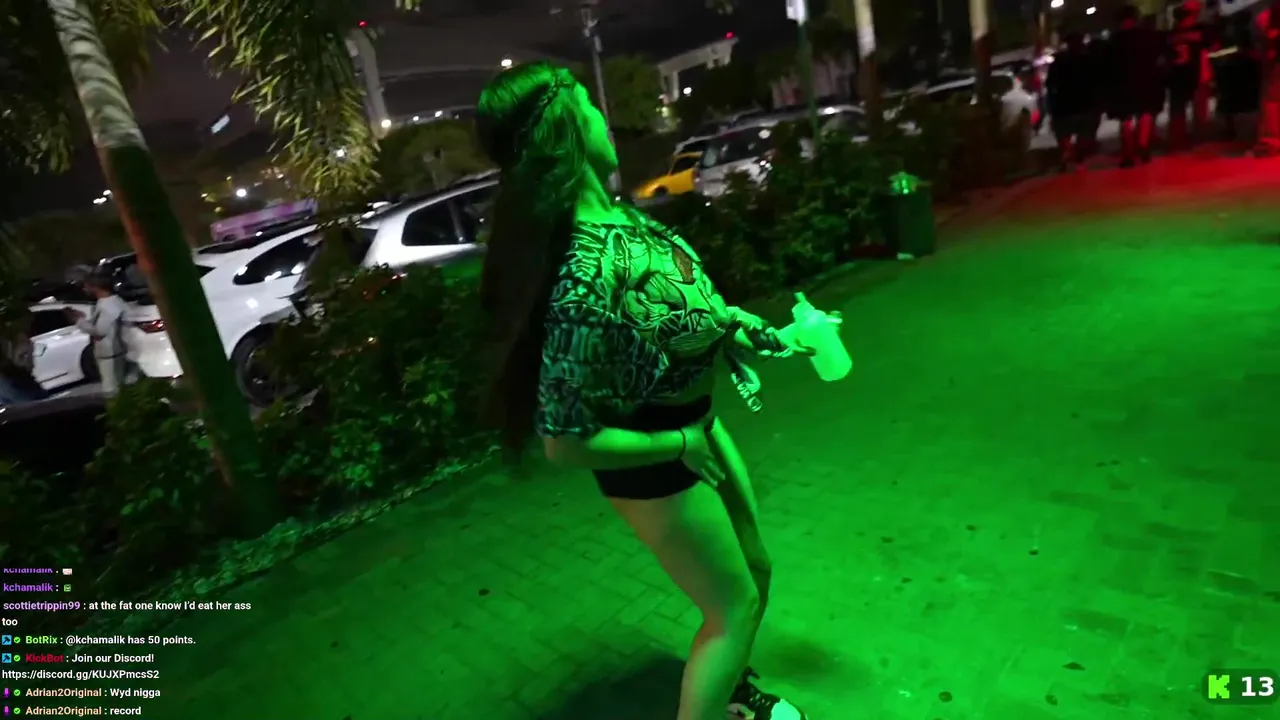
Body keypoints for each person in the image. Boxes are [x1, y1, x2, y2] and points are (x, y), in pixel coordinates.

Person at [474, 61, 811, 720]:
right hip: (658, 457)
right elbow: (565, 442)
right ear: (564, 125)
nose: (605, 118)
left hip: (698, 429)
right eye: (589, 104)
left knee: (756, 571)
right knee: (733, 606)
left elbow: (670, 307)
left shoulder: (622, 217)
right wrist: (679, 442)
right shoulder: (580, 270)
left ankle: (730, 691)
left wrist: (730, 328)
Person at [1104, 5, 1166, 166]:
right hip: (1147, 81)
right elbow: (1159, 59)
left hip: (1123, 83)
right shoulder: (1149, 36)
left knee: (1126, 119)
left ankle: (1128, 152)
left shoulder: (1115, 40)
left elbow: (1109, 66)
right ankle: (1144, 146)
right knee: (1145, 113)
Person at [67, 272, 130, 396]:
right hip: (113, 351)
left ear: (96, 287)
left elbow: (100, 331)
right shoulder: (111, 301)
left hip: (111, 353)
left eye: (86, 286)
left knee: (111, 388)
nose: (84, 289)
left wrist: (79, 321)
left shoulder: (108, 305)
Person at [1166, 1, 1213, 148]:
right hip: (1196, 74)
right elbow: (1212, 45)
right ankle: (1198, 138)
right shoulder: (1200, 32)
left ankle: (1178, 138)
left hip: (1177, 75)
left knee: (1178, 109)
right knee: (1199, 110)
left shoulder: (1171, 35)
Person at [1047, 31, 1096, 170]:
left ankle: (1068, 151)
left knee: (1064, 132)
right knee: (1084, 132)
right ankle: (1077, 154)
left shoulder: (1059, 61)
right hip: (1084, 102)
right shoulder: (1088, 60)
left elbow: (1051, 84)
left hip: (1064, 103)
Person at [1257, 0, 1280, 156]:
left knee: (1272, 100)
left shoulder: (1273, 12)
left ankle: (1271, 141)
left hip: (1276, 61)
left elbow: (1270, 35)